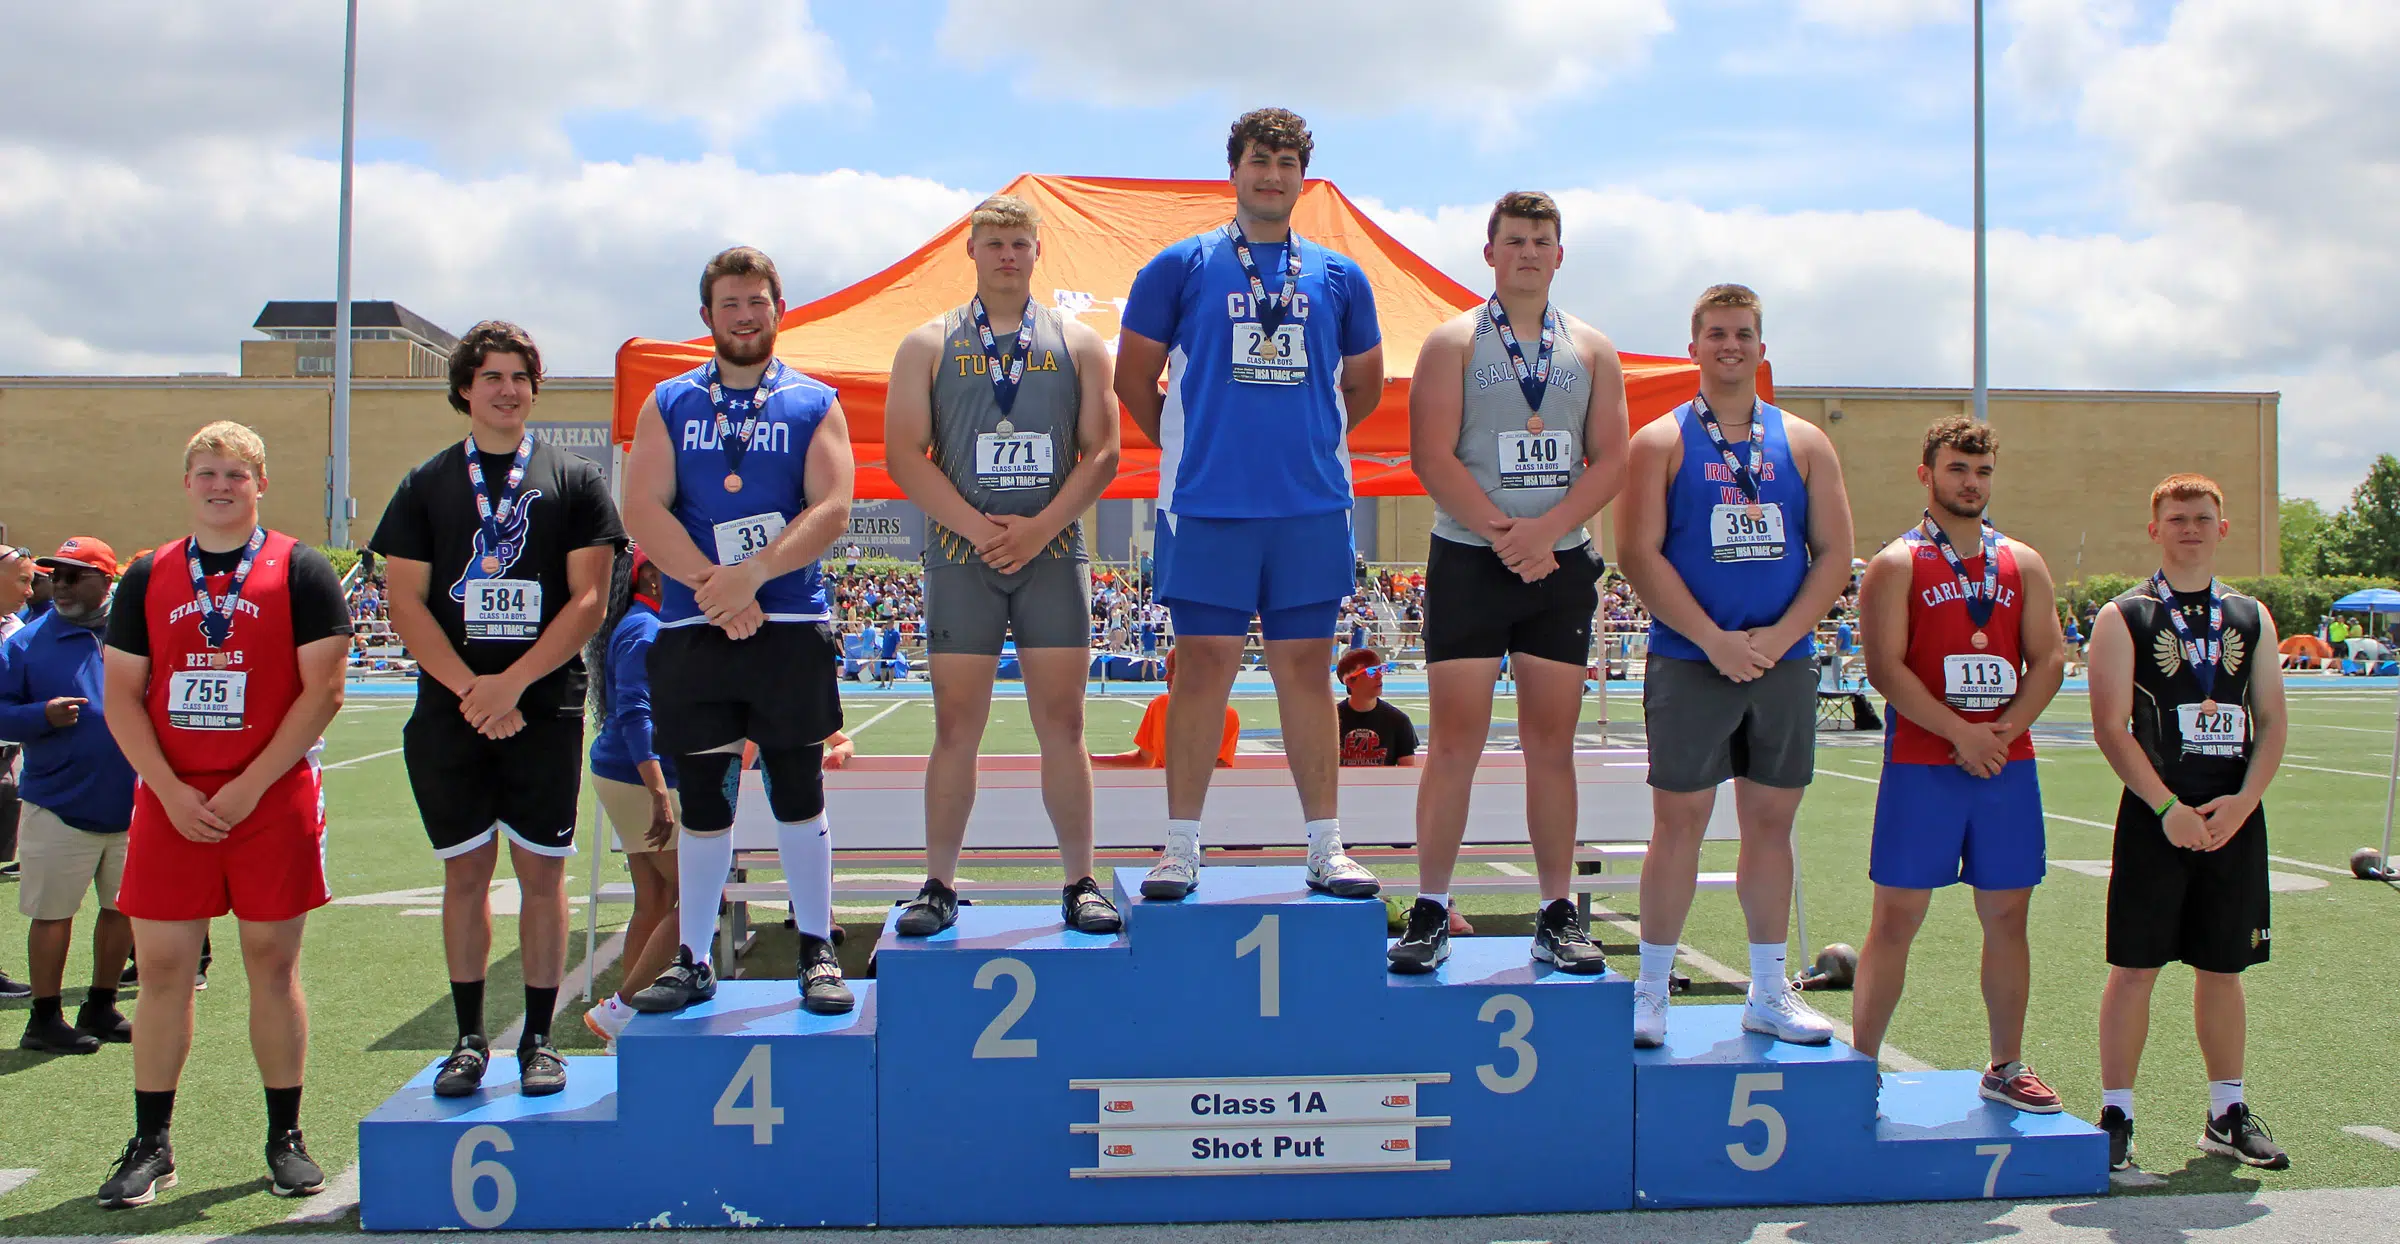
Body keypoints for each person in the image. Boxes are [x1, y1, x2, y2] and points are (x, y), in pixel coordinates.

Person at [1115, 107, 1383, 901]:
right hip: (1207, 504)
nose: (1272, 174)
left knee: (1306, 670)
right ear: (1233, 170)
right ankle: (1181, 847)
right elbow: (1135, 379)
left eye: (1287, 161)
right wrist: (1194, 448)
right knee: (1201, 670)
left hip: (1308, 505)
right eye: (1259, 160)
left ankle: (1326, 847)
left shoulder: (1340, 275)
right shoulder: (1181, 264)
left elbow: (1362, 386)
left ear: (1305, 176)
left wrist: (1306, 441)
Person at [97, 421, 351, 1206]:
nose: (219, 486)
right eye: (206, 473)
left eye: (234, 475)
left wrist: (247, 786)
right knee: (164, 971)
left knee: (271, 968)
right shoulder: (147, 575)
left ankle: (285, 1136)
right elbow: (122, 698)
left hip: (268, 798)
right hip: (173, 800)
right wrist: (171, 791)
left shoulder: (302, 569)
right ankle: (151, 1142)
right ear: (186, 483)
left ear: (259, 484)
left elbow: (324, 693)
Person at [371, 321, 622, 1099]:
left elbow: (588, 599)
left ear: (534, 387)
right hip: (453, 709)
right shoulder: (425, 482)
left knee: (543, 878)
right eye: (491, 377)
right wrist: (469, 690)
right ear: (465, 390)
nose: (506, 389)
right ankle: (470, 1037)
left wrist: (511, 683)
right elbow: (403, 600)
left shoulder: (575, 480)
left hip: (541, 706)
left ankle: (540, 1039)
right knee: (466, 876)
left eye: (519, 376)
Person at [1390, 190, 1628, 976]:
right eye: (1515, 240)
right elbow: (1432, 456)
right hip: (1471, 557)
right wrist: (1507, 534)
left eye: (1542, 241)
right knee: (1453, 741)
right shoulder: (1453, 341)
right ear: (1489, 253)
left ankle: (1557, 912)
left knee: (1549, 744)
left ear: (1560, 256)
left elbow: (1613, 461)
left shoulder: (1591, 348)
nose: (1528, 252)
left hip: (1557, 568)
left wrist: (1545, 535)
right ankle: (1430, 906)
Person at [1613, 283, 1855, 1048]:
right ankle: (1652, 991)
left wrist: (1780, 637)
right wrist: (1713, 637)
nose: (1730, 345)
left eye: (1743, 333)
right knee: (1677, 823)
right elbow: (1637, 555)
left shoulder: (1806, 442)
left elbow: (1836, 555)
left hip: (1781, 662)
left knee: (1770, 825)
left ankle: (1766, 990)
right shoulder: (1659, 441)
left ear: (1762, 347)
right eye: (1716, 333)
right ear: (1693, 346)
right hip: (1692, 658)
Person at [620, 246, 856, 1016]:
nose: (745, 316)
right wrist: (711, 586)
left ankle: (817, 948)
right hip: (696, 626)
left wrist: (749, 578)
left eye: (757, 302)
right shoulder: (669, 402)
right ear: (707, 317)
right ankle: (693, 957)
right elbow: (643, 507)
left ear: (778, 309)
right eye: (730, 304)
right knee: (705, 801)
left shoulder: (815, 401)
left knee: (797, 787)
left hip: (786, 621)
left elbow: (831, 508)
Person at [883, 194, 1125, 936]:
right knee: (956, 725)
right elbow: (902, 456)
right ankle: (938, 882)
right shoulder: (927, 343)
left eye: (1020, 242)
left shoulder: (1080, 343)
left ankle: (1079, 879)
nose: (1008, 255)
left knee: (1065, 723)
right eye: (994, 243)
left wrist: (1041, 528)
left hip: (1051, 555)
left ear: (1039, 250)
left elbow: (1104, 452)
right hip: (963, 556)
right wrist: (983, 530)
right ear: (972, 251)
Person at [1847, 418, 2068, 1112]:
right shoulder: (1897, 563)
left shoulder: (2023, 562)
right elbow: (1886, 668)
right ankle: (1860, 1064)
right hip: (1924, 764)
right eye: (1956, 470)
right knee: (1895, 918)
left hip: (2006, 764)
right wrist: (1959, 734)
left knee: (2008, 917)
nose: (1970, 484)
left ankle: (2005, 1065)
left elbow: (2051, 658)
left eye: (1981, 472)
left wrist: (2003, 732)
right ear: (1927, 474)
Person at [2086, 474, 2289, 1172]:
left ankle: (2225, 1113)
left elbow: (2272, 723)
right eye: (2177, 518)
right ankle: (2117, 1113)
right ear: (2155, 529)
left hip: (2232, 818)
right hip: (2157, 818)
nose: (2191, 528)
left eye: (2203, 518)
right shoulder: (2125, 616)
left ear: (2223, 529)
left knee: (2223, 968)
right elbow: (2111, 728)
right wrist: (2166, 808)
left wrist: (2243, 803)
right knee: (2134, 969)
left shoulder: (2250, 616)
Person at [0, 538, 139, 1051]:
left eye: (73, 575)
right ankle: (44, 1017)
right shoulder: (25, 643)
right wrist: (40, 716)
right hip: (58, 803)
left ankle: (101, 1004)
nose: (58, 584)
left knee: (123, 906)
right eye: (54, 575)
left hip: (132, 801)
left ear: (106, 581)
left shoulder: (135, 637)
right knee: (53, 913)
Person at [580, 547, 680, 1052]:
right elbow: (637, 713)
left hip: (621, 771)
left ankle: (626, 1027)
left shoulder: (640, 621)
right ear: (652, 575)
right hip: (639, 775)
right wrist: (659, 791)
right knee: (701, 899)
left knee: (656, 899)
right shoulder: (645, 628)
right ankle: (621, 1009)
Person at [1094, 647, 1240, 769]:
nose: (1166, 678)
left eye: (1173, 671)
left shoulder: (1227, 717)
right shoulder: (1159, 705)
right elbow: (1144, 758)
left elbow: (1217, 772)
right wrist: (1094, 761)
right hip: (1159, 793)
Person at [1334, 648, 1417, 769]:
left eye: (1380, 669)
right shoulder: (1330, 721)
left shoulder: (1399, 721)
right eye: (1371, 671)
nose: (1379, 676)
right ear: (1350, 682)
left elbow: (1407, 772)